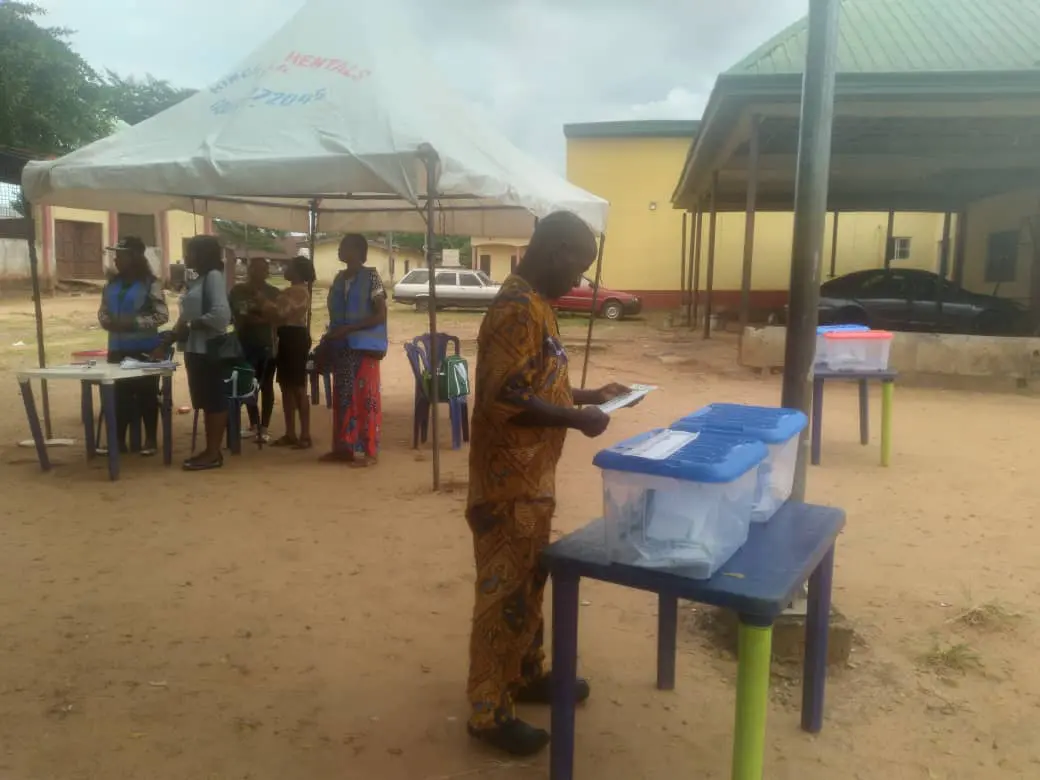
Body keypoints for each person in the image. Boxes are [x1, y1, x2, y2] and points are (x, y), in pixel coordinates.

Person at [464, 211, 630, 757]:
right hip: (507, 485)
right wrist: (577, 421)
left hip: (532, 480)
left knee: (529, 584)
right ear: (554, 250)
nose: (579, 282)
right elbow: (505, 399)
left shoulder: (536, 304)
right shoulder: (515, 307)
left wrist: (587, 396)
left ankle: (527, 674)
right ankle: (488, 711)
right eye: (578, 269)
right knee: (502, 594)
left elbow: (539, 382)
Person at [159, 234, 232, 471]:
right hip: (195, 349)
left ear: (203, 254)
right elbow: (186, 316)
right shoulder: (198, 280)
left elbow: (221, 315)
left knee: (214, 401)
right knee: (205, 400)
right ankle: (210, 450)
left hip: (209, 349)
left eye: (190, 252)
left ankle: (213, 453)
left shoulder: (213, 278)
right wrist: (171, 335)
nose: (187, 256)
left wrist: (192, 326)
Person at [97, 236, 169, 456]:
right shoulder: (112, 284)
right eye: (116, 255)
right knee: (120, 396)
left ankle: (150, 440)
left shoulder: (151, 283)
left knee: (146, 393)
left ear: (136, 257)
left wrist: (134, 323)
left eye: (122, 255)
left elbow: (161, 315)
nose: (116, 259)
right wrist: (106, 320)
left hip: (144, 349)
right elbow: (103, 310)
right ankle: (118, 440)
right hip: (117, 349)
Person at [319, 234, 387, 465]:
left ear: (357, 251)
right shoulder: (339, 279)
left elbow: (380, 314)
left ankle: (369, 451)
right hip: (342, 347)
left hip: (365, 348)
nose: (339, 249)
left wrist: (350, 328)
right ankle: (343, 448)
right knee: (343, 397)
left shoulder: (372, 278)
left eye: (344, 246)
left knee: (366, 399)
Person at [255, 256, 315, 448]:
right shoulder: (294, 291)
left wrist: (264, 302)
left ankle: (304, 435)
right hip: (287, 337)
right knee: (286, 386)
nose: (284, 268)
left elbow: (282, 313)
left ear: (297, 271)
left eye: (289, 266)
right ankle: (291, 433)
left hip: (295, 338)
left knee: (297, 387)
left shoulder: (298, 292)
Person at [228, 257, 279, 442]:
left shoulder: (273, 292)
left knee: (266, 386)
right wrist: (263, 316)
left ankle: (264, 428)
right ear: (249, 271)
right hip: (243, 344)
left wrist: (259, 314)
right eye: (255, 269)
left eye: (263, 269)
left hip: (267, 345)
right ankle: (254, 424)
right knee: (247, 384)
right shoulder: (238, 291)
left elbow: (278, 315)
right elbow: (239, 315)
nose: (259, 273)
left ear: (267, 272)